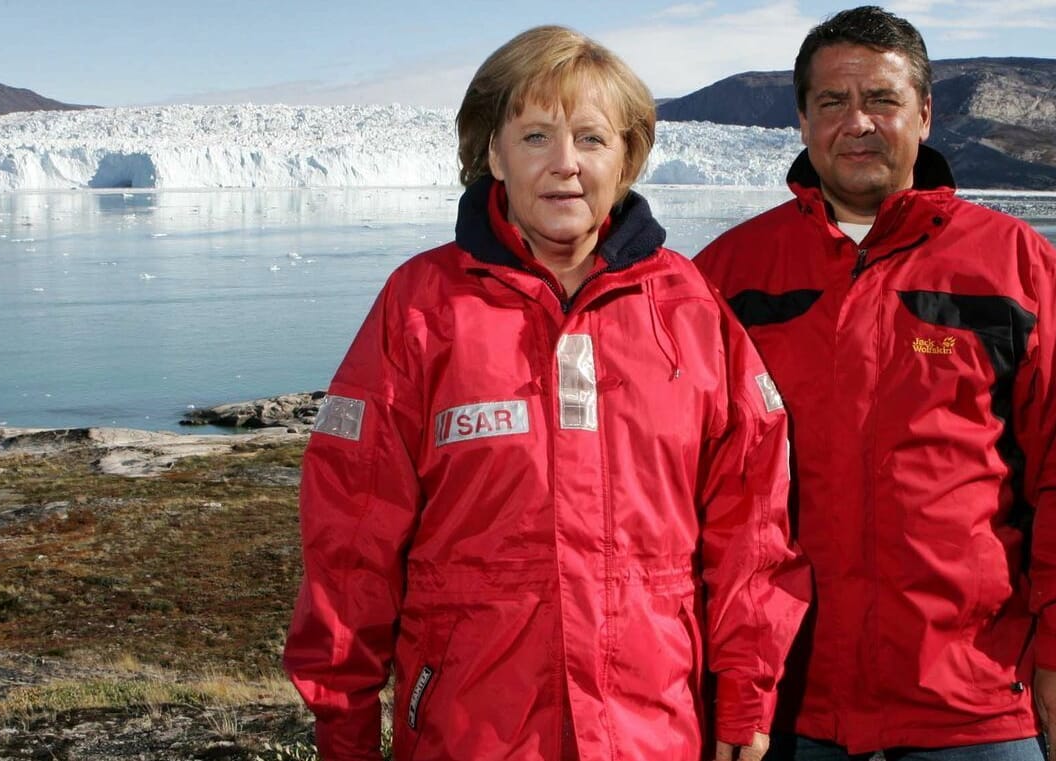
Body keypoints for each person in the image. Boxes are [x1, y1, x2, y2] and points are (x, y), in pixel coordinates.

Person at [284, 24, 811, 761]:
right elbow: (350, 532)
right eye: (535, 136)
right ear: (493, 152)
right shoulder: (422, 307)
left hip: (650, 730)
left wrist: (744, 701)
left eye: (591, 139)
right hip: (468, 730)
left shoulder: (687, 311)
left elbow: (750, 524)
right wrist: (342, 723)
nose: (565, 165)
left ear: (626, 158)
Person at [694, 6, 1056, 761]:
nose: (856, 122)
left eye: (881, 100)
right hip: (789, 703)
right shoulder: (729, 274)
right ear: (801, 118)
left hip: (971, 702)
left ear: (923, 115)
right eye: (832, 102)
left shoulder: (1015, 266)